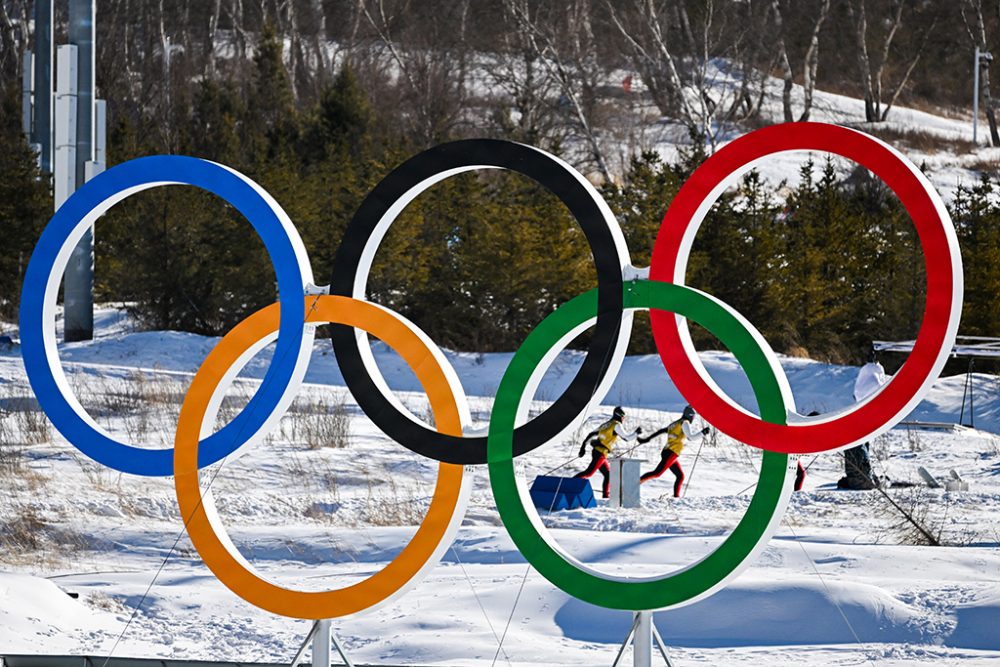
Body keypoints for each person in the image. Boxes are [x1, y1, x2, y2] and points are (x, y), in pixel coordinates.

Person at [838, 350, 887, 490]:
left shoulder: (867, 378)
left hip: (867, 406)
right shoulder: (872, 378)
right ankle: (866, 479)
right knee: (861, 442)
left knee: (860, 442)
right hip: (862, 479)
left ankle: (865, 478)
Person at [638, 405, 708, 498]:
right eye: (693, 417)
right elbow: (691, 437)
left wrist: (647, 439)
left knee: (680, 476)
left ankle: (676, 498)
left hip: (668, 452)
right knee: (657, 473)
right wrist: (702, 433)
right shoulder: (685, 422)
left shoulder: (675, 423)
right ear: (691, 415)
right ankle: (634, 483)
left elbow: (662, 431)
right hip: (671, 452)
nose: (693, 419)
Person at [574, 406, 641, 499]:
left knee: (609, 475)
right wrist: (636, 433)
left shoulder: (606, 424)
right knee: (589, 473)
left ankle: (605, 497)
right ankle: (570, 484)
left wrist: (583, 447)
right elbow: (626, 438)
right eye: (623, 417)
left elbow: (591, 434)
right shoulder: (616, 425)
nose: (623, 419)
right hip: (600, 453)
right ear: (620, 416)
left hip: (598, 452)